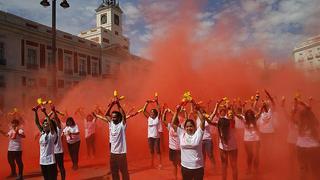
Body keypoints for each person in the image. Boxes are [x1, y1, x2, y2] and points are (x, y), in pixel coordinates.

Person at [95, 97, 130, 180]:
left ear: (119, 118)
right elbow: (106, 114)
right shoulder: (111, 123)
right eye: (112, 117)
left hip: (121, 153)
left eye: (115, 117)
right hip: (113, 154)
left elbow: (123, 115)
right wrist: (111, 105)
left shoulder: (122, 125)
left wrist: (118, 104)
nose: (113, 118)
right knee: (114, 172)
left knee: (124, 172)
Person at [172, 100, 205, 180]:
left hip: (198, 167)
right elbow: (173, 123)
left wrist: (197, 109)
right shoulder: (181, 133)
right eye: (187, 126)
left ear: (194, 127)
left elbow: (203, 121)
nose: (189, 128)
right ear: (184, 127)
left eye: (191, 126)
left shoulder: (198, 133)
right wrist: (176, 111)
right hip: (185, 167)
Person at [208, 101, 238, 180]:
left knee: (233, 165)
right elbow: (209, 121)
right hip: (223, 148)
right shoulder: (220, 122)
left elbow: (232, 116)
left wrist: (229, 107)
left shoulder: (231, 122)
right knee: (224, 165)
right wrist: (217, 106)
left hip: (233, 147)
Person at [293, 99, 320, 180]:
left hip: (301, 147)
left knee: (303, 168)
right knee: (315, 169)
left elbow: (292, 117)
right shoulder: (314, 124)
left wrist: (297, 106)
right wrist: (307, 108)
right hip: (314, 148)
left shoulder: (299, 124)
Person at [33, 106, 58, 180]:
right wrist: (35, 112)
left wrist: (45, 113)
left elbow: (50, 124)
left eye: (46, 124)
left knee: (52, 178)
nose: (44, 125)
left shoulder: (52, 134)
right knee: (46, 178)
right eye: (43, 124)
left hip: (50, 161)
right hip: (42, 161)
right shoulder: (42, 133)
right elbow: (37, 123)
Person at [142, 100, 162, 169]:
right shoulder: (149, 118)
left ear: (155, 114)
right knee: (151, 151)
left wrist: (156, 102)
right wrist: (146, 103)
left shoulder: (157, 118)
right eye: (151, 112)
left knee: (157, 150)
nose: (151, 113)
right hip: (150, 137)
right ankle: (152, 164)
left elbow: (159, 110)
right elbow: (143, 110)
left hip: (156, 137)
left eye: (153, 112)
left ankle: (160, 164)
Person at [162, 108, 180, 180]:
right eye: (173, 120)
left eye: (175, 120)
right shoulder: (170, 127)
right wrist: (165, 112)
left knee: (181, 165)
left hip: (179, 150)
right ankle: (175, 178)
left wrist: (174, 112)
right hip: (172, 149)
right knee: (174, 164)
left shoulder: (181, 128)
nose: (173, 121)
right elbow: (163, 120)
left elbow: (180, 117)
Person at [51, 106, 66, 180]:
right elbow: (45, 119)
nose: (54, 121)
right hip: (51, 153)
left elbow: (56, 119)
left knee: (61, 166)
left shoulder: (59, 129)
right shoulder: (50, 131)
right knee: (53, 169)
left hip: (58, 152)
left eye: (55, 120)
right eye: (52, 120)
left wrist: (54, 112)